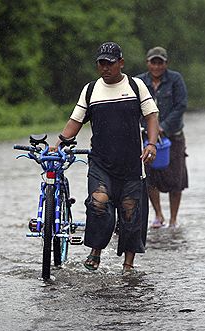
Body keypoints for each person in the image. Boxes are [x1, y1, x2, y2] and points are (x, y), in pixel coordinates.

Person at [53, 42, 159, 272]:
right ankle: (95, 251)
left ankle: (128, 266)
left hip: (132, 163)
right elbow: (75, 122)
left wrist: (151, 144)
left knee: (131, 211)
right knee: (99, 203)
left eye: (110, 63)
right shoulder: (90, 90)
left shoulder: (135, 86)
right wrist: (58, 144)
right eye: (101, 63)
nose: (105, 68)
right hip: (101, 162)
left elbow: (151, 116)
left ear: (120, 63)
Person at [136, 46, 188, 229]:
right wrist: (149, 130)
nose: (157, 66)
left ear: (166, 63)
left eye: (160, 62)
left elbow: (181, 105)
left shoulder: (175, 79)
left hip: (173, 136)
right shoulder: (139, 82)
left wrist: (161, 128)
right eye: (153, 62)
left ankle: (174, 219)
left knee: (176, 178)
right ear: (148, 63)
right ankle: (158, 214)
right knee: (150, 177)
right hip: (146, 138)